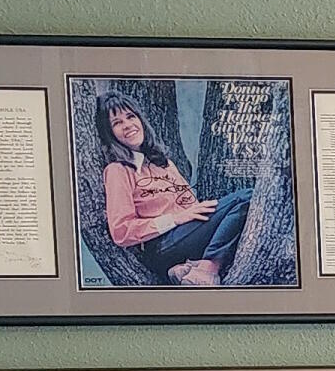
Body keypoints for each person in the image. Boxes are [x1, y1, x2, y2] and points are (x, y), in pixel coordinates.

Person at [97, 97, 253, 289]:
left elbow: (190, 207)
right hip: (160, 246)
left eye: (131, 116)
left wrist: (202, 216)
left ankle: (185, 267)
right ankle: (207, 269)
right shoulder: (118, 170)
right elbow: (121, 231)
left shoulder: (164, 164)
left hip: (185, 236)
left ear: (140, 119)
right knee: (246, 197)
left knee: (241, 210)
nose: (128, 125)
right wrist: (175, 219)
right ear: (109, 134)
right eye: (117, 123)